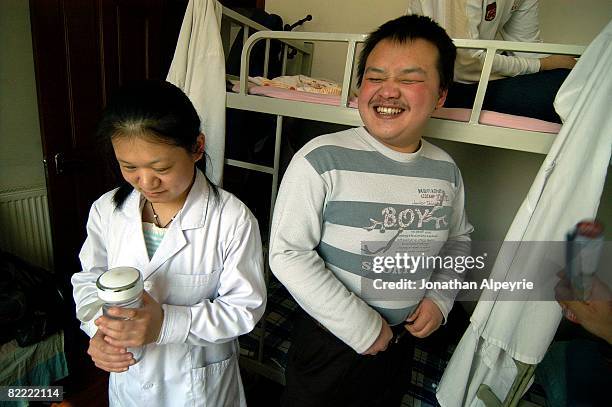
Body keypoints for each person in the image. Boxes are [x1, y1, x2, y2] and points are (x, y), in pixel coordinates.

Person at [269, 15, 473, 407]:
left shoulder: (446, 170)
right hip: (331, 336)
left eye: (410, 79)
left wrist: (440, 299)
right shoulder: (321, 158)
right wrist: (362, 328)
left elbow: (457, 239)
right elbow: (287, 253)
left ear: (441, 95)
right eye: (375, 77)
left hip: (400, 338)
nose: (388, 91)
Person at [71, 80, 266, 406]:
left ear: (197, 147)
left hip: (197, 388)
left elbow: (244, 309)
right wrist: (98, 331)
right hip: (130, 383)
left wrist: (166, 324)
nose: (146, 182)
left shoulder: (232, 219)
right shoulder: (107, 211)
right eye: (129, 167)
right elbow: (90, 280)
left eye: (161, 167)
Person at [407, 0, 577, 122]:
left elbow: (528, 49)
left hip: (474, 75)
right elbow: (462, 65)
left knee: (574, 81)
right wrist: (544, 65)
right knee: (561, 91)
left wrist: (568, 67)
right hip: (439, 84)